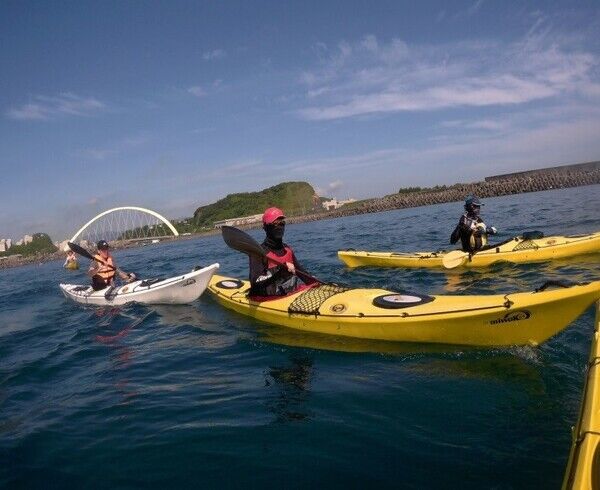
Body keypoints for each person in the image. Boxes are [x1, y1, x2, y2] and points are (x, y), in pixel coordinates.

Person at [249, 207, 317, 297]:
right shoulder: (258, 252)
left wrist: (317, 283)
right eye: (275, 224)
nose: (279, 227)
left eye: (282, 223)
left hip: (290, 295)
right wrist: (280, 271)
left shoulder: (287, 249)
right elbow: (254, 282)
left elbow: (300, 272)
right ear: (265, 227)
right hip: (268, 300)